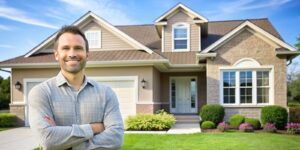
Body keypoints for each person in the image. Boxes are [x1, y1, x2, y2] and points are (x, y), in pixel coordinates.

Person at [29, 25, 124, 150]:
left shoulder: (106, 93)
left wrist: (68, 145)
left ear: (87, 54)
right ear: (56, 54)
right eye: (66, 48)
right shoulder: (41, 93)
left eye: (78, 48)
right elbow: (47, 138)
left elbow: (116, 137)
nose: (72, 54)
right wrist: (94, 128)